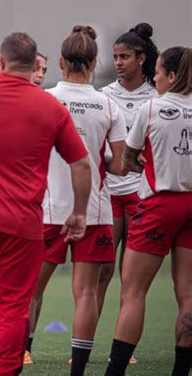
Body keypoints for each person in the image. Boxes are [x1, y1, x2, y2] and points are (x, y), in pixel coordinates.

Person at [0, 32, 92, 375]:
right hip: (22, 224)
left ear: (1, 62)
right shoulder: (52, 108)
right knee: (14, 309)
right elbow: (82, 164)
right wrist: (80, 212)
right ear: (35, 67)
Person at [28, 26, 127, 375]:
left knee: (30, 290)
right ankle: (78, 370)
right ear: (95, 63)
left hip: (48, 210)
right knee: (86, 292)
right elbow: (117, 166)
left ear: (60, 62)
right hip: (95, 212)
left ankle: (20, 356)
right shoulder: (109, 104)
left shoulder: (44, 99)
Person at [105, 46, 192, 376]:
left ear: (171, 76)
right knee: (187, 294)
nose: (153, 78)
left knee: (133, 293)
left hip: (159, 204)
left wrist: (138, 159)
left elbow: (125, 162)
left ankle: (115, 372)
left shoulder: (152, 108)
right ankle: (181, 371)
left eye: (157, 72)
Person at [0, 50, 50, 365]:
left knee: (24, 285)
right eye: (35, 68)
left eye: (44, 69)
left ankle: (22, 348)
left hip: (34, 209)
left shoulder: (49, 107)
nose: (40, 74)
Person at [97, 25, 159, 356]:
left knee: (130, 278)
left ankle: (124, 349)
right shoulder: (105, 95)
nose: (118, 63)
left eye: (125, 57)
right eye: (115, 57)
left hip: (142, 195)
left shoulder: (157, 97)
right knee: (102, 274)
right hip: (109, 194)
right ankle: (85, 345)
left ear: (141, 59)